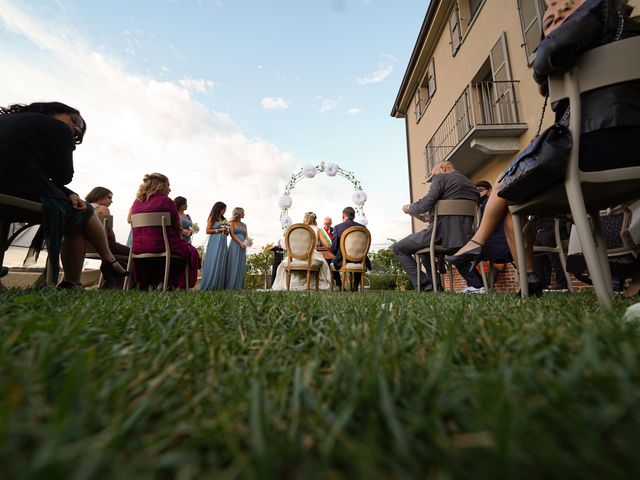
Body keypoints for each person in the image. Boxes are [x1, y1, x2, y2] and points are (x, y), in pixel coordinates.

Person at [447, 0, 640, 296]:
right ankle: (526, 274)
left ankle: (487, 248)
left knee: (509, 186)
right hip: (606, 141)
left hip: (598, 142)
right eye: (549, 18)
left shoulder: (604, 17)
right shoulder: (603, 43)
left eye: (567, 8)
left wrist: (544, 75)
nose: (557, 16)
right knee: (512, 194)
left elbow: (549, 54)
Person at [0, 101, 129, 288]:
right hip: (16, 189)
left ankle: (108, 261)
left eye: (78, 131)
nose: (75, 128)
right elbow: (63, 175)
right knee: (81, 214)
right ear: (53, 110)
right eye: (74, 120)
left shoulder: (9, 120)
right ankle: (75, 280)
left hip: (8, 189)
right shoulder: (57, 127)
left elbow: (32, 169)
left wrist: (69, 193)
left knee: (79, 207)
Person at [392, 161, 479, 291]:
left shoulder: (441, 177)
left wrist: (410, 208)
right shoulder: (471, 185)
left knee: (398, 248)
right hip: (464, 238)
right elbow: (451, 213)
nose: (433, 178)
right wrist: (426, 217)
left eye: (433, 176)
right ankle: (436, 286)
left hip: (440, 235)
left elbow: (426, 203)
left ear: (443, 168)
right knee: (425, 254)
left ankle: (425, 285)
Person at [129, 173, 201, 289]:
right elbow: (177, 228)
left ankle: (160, 282)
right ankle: (178, 285)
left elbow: (129, 220)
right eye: (168, 185)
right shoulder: (167, 201)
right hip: (161, 244)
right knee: (191, 251)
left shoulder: (137, 202)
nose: (170, 189)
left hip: (138, 246)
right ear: (160, 185)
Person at [271, 212, 333, 290]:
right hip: (311, 256)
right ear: (315, 220)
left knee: (283, 263)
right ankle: (315, 284)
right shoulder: (317, 229)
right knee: (322, 262)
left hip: (295, 257)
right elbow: (327, 246)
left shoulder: (297, 229)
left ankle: (289, 285)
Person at [85, 186, 131, 287]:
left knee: (120, 259)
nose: (111, 201)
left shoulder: (84, 206)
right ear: (98, 197)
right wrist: (114, 243)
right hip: (102, 246)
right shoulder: (102, 209)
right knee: (132, 253)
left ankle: (111, 284)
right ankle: (124, 286)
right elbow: (109, 232)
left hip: (84, 247)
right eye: (109, 198)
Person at [331, 206, 372, 291]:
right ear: (354, 217)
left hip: (343, 259)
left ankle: (340, 286)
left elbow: (334, 248)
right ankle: (355, 285)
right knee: (357, 257)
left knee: (331, 263)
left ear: (343, 216)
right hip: (360, 259)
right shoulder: (363, 228)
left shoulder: (337, 227)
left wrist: (338, 254)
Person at [199, 201, 229, 290]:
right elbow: (207, 231)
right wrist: (219, 230)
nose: (225, 211)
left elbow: (227, 233)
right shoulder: (212, 218)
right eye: (224, 209)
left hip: (223, 241)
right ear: (219, 209)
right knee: (214, 259)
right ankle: (210, 284)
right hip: (214, 241)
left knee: (221, 261)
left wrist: (226, 230)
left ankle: (219, 285)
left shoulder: (224, 219)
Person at [224, 207, 248, 290]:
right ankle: (230, 285)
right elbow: (232, 234)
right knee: (233, 263)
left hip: (243, 246)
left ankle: (239, 286)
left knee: (241, 264)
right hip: (235, 245)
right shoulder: (231, 223)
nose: (244, 214)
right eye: (243, 213)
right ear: (238, 213)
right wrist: (240, 242)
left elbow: (246, 236)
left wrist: (245, 242)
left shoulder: (244, 225)